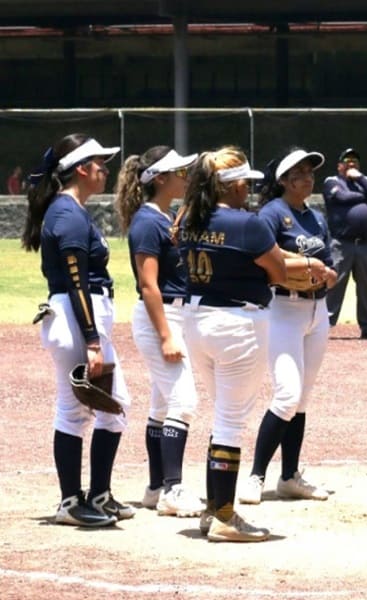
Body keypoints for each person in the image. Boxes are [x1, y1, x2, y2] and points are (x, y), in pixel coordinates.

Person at [22, 134, 134, 527]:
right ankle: (71, 502)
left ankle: (97, 494)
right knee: (78, 409)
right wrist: (91, 340)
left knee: (112, 405)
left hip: (78, 317)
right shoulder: (67, 214)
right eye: (100, 164)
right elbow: (76, 282)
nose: (106, 170)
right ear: (83, 170)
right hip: (74, 319)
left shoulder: (70, 210)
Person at [179, 146, 287, 542]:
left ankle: (214, 509)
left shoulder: (190, 218)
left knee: (223, 414)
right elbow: (276, 272)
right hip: (238, 322)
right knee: (230, 420)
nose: (249, 190)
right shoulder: (249, 223)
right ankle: (224, 515)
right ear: (234, 185)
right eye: (246, 183)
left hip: (197, 320)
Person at [238, 148, 337, 505]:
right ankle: (255, 476)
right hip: (282, 310)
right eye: (299, 172)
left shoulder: (314, 216)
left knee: (302, 399)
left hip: (316, 311)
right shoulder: (271, 214)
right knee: (287, 394)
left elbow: (329, 262)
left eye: (311, 171)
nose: (308, 178)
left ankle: (289, 476)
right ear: (282, 180)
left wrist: (327, 273)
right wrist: (307, 263)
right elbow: (265, 259)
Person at [114, 145, 206, 518]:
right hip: (160, 317)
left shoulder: (162, 216)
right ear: (161, 179)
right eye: (179, 171)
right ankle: (172, 489)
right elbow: (148, 285)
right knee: (184, 402)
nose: (185, 176)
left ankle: (155, 487)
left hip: (171, 315)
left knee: (163, 405)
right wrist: (167, 334)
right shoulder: (147, 222)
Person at [323, 147, 367, 339]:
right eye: (347, 160)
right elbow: (341, 197)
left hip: (364, 244)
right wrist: (365, 196)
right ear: (339, 165)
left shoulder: (362, 182)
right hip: (342, 243)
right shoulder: (332, 181)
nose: (351, 164)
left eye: (355, 161)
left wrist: (359, 178)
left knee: (365, 286)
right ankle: (324, 324)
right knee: (335, 283)